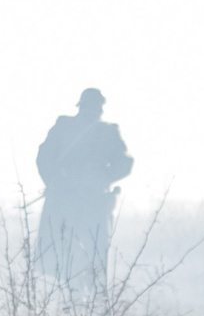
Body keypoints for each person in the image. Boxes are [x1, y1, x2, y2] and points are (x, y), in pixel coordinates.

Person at [36, 87, 132, 284]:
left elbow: (43, 158)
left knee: (67, 253)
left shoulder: (65, 127)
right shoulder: (106, 132)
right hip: (90, 203)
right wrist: (102, 178)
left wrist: (56, 182)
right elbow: (125, 163)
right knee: (89, 254)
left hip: (69, 202)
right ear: (100, 108)